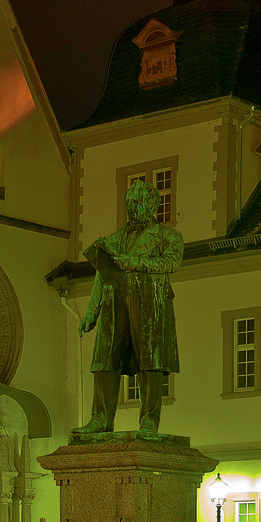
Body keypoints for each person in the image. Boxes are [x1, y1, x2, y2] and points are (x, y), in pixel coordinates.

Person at [77, 179, 182, 433]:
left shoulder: (168, 236)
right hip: (115, 305)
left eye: (140, 203)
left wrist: (133, 262)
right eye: (130, 203)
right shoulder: (112, 240)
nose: (134, 208)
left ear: (153, 205)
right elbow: (101, 277)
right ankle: (100, 419)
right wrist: (92, 311)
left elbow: (171, 263)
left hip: (149, 303)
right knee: (104, 361)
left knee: (151, 361)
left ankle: (149, 420)